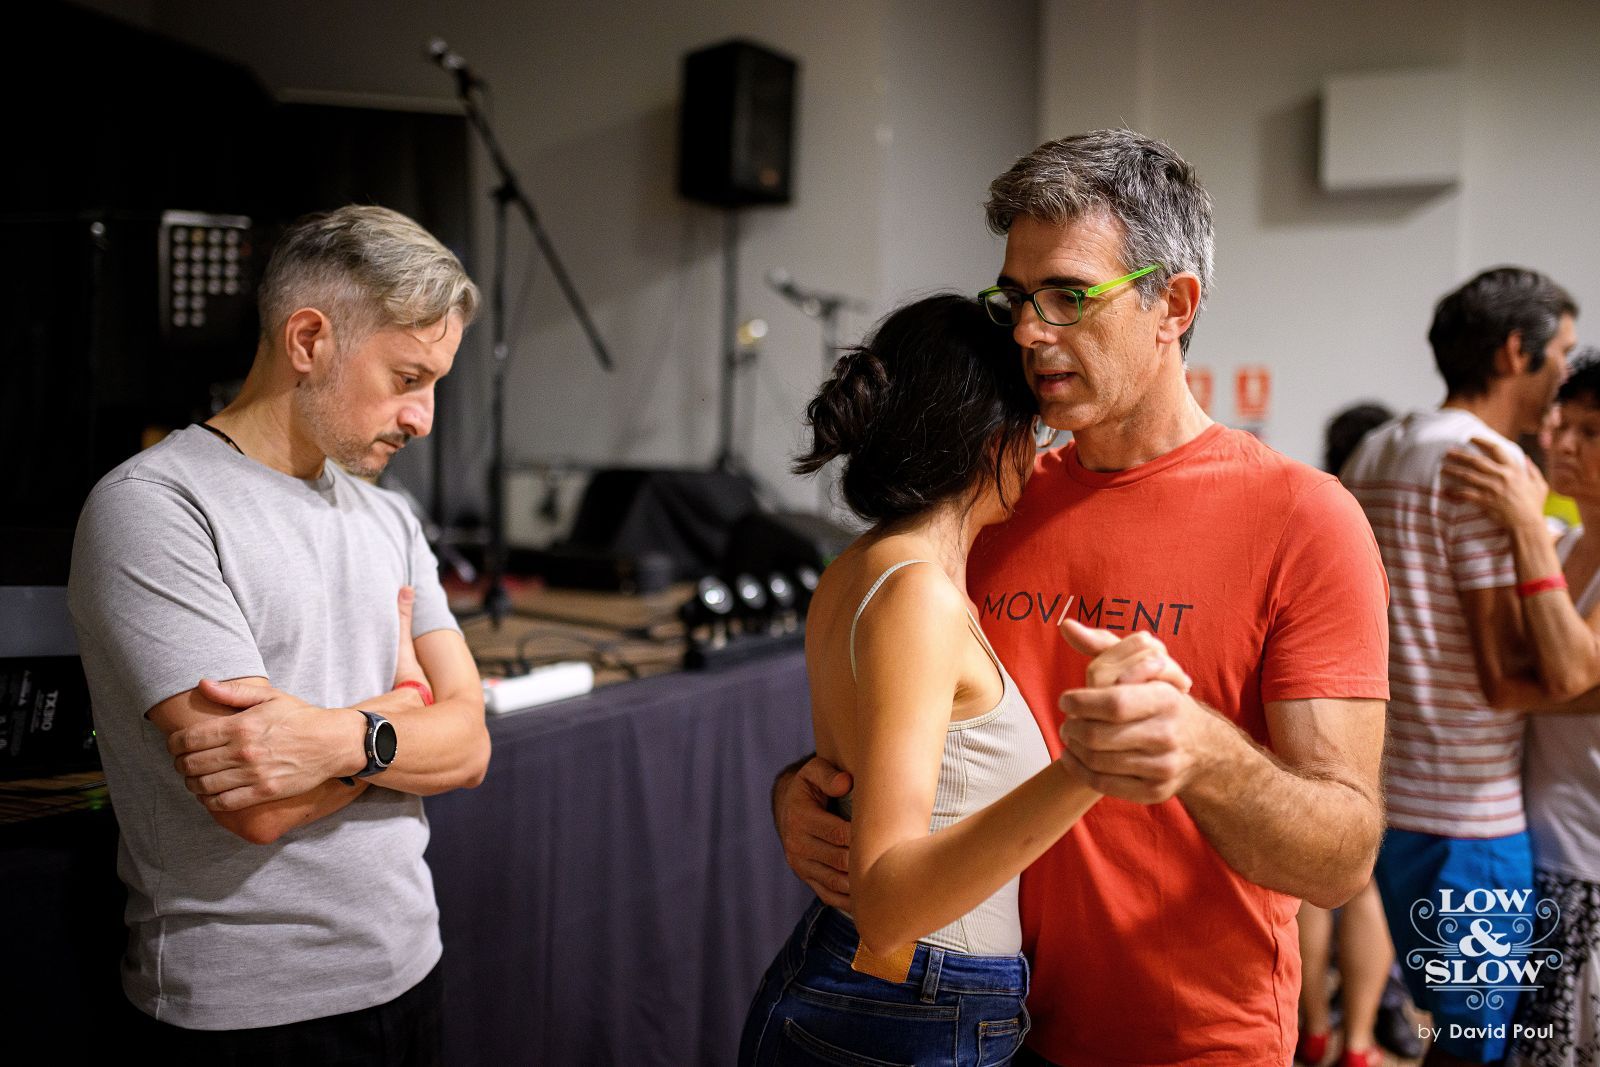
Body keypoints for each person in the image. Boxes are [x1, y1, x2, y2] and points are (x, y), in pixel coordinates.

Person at [774, 129, 1391, 1066]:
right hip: (984, 1030)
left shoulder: (1303, 519)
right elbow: (925, 746)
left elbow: (1340, 859)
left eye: (1068, 294)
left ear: (1172, 304)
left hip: (1192, 1043)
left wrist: (1201, 750)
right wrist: (803, 796)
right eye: (1016, 299)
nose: (1029, 330)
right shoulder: (990, 503)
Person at [67, 205, 490, 1060]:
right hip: (243, 1010)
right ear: (308, 339)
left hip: (410, 967)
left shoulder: (389, 515)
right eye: (408, 377)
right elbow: (256, 802)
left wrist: (335, 738)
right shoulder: (155, 506)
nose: (423, 417)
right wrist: (406, 707)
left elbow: (472, 744)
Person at [740, 294, 1141, 1066]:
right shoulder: (917, 593)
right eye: (1033, 428)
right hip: (907, 1004)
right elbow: (889, 902)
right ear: (994, 438)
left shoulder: (861, 566)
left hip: (888, 992)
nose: (1041, 450)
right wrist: (1087, 769)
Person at [1342, 266, 1579, 1066]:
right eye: (1563, 352)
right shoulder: (1487, 464)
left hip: (1394, 798)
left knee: (1450, 1034)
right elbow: (1503, 667)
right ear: (1516, 352)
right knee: (1476, 1046)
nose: (1566, 374)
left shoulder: (1377, 447)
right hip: (1470, 818)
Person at [1439, 347, 1600, 1067]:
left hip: (1589, 865)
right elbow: (1519, 679)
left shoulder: (1546, 538)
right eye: (1564, 425)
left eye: (1591, 433)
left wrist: (1527, 526)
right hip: (1530, 843)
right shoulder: (1564, 545)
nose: (1563, 444)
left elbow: (1563, 671)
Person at [1296, 401, 1414, 1067]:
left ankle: (1314, 1027)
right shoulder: (1405, 512)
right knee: (1365, 878)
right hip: (1395, 713)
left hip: (1319, 703)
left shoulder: (1321, 510)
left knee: (1315, 880)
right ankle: (1361, 1041)